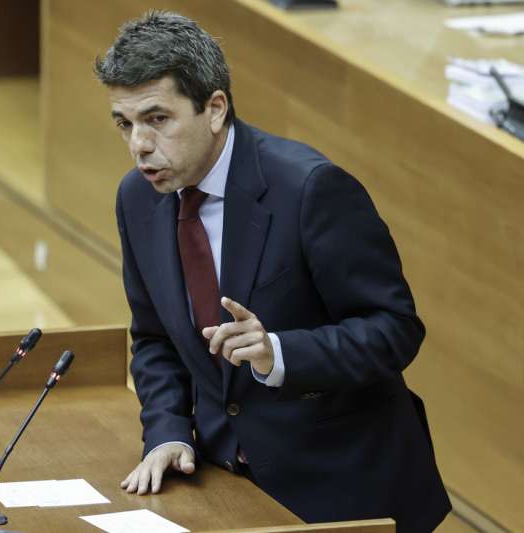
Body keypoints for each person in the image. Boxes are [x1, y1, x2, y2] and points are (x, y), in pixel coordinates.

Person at [94, 11, 451, 533]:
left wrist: (280, 354)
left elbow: (394, 328)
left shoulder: (310, 190)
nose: (139, 145)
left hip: (342, 490)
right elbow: (154, 339)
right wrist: (168, 431)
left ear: (215, 108)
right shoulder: (138, 199)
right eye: (125, 124)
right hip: (226, 485)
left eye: (158, 119)